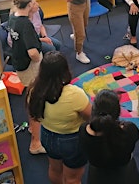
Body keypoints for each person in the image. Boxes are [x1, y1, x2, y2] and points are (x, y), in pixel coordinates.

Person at [27, 51, 92, 184]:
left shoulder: (34, 91)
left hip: (47, 135)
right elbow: (91, 117)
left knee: (54, 169)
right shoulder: (74, 94)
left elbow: (34, 114)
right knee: (73, 178)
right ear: (64, 70)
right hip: (72, 140)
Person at [8, 0, 45, 154]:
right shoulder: (26, 24)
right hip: (30, 66)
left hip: (19, 63)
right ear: (29, 4)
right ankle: (35, 143)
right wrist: (39, 59)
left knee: (30, 96)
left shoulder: (13, 17)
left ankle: (32, 126)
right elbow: (33, 53)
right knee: (36, 101)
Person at [79, 89, 139, 184]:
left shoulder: (84, 130)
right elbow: (135, 137)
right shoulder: (129, 130)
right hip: (126, 175)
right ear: (118, 111)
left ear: (94, 110)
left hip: (97, 176)